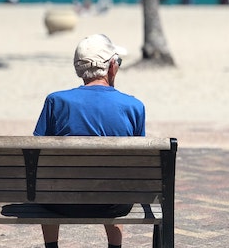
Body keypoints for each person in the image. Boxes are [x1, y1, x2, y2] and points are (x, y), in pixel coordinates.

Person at [33, 34, 146, 248]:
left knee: (49, 178)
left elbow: (37, 154)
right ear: (112, 67)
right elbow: (138, 164)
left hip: (60, 202)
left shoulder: (56, 102)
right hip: (114, 204)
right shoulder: (133, 107)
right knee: (118, 177)